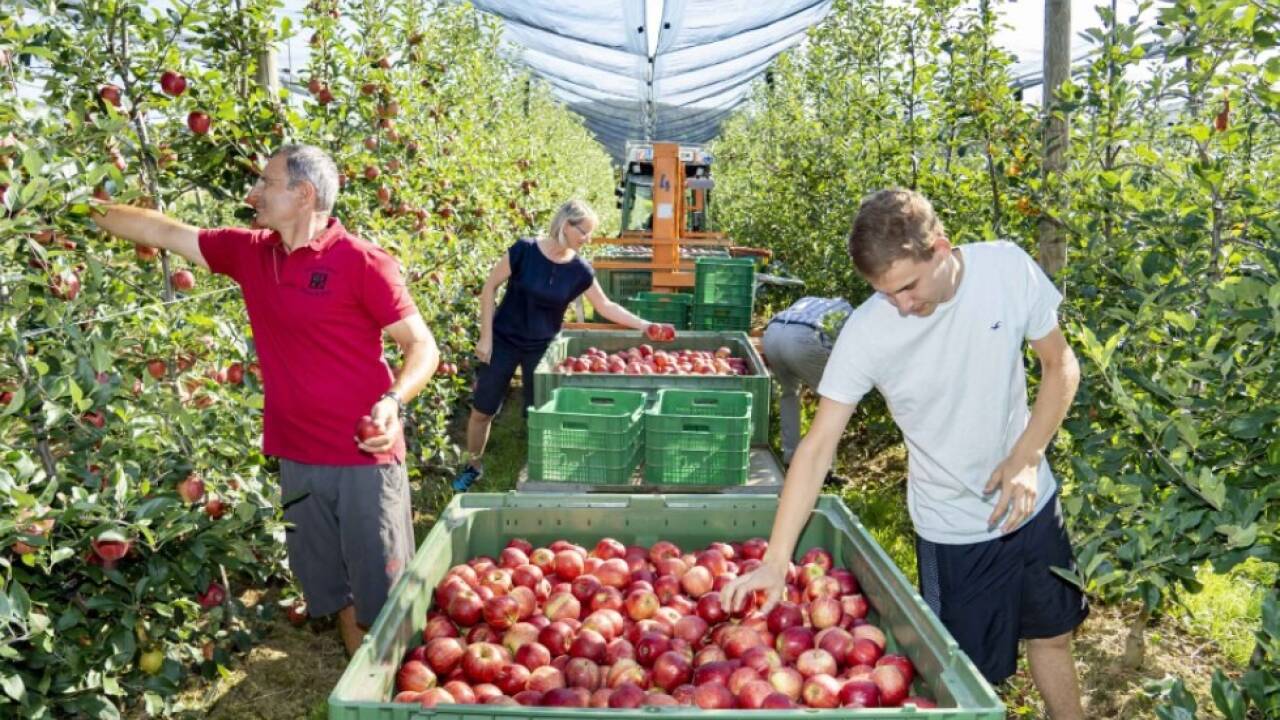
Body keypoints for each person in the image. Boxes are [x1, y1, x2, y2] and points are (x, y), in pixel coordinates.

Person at [721, 189, 1087, 719]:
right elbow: (818, 445)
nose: (902, 306)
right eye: (886, 294)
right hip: (955, 528)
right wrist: (777, 562)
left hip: (1032, 502)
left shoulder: (1007, 268)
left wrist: (1029, 456)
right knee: (967, 684)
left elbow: (1061, 366)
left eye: (909, 287)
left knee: (1052, 637)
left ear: (940, 248)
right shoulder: (870, 331)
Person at [91, 144, 439, 655]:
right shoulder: (251, 253)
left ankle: (403, 693)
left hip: (363, 459)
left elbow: (421, 346)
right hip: (297, 458)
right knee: (336, 590)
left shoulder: (363, 262)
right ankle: (362, 689)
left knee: (386, 599)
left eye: (265, 184)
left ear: (303, 194)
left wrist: (393, 400)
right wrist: (80, 209)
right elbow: (162, 231)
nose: (251, 194)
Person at [452, 199, 661, 492]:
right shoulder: (524, 250)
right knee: (483, 409)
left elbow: (606, 305)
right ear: (566, 224)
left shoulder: (580, 270)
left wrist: (643, 325)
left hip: (542, 346)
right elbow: (490, 287)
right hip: (504, 338)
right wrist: (485, 336)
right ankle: (473, 465)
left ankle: (542, 472)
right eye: (584, 232)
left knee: (538, 414)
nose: (588, 239)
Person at [761, 296, 852, 465]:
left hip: (772, 334)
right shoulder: (849, 311)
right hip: (801, 337)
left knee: (789, 394)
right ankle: (824, 466)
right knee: (831, 402)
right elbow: (843, 349)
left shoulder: (810, 300)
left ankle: (791, 457)